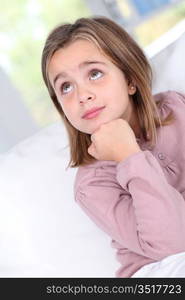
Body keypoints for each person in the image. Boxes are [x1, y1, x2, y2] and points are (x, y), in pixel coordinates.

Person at [41, 16, 185, 277]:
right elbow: (174, 245)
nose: (82, 95)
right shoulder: (93, 185)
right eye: (66, 87)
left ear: (130, 78)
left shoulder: (176, 107)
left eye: (94, 74)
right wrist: (129, 156)